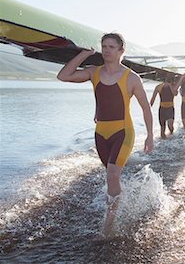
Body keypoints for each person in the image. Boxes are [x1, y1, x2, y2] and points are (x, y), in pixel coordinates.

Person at [57, 33, 154, 237]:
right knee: (112, 176)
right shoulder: (94, 72)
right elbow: (63, 76)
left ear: (121, 51)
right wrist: (84, 55)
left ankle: (108, 227)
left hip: (123, 132)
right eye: (104, 46)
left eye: (111, 46)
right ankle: (119, 197)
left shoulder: (132, 78)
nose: (107, 50)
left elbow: (146, 109)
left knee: (112, 173)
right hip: (101, 133)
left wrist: (150, 135)